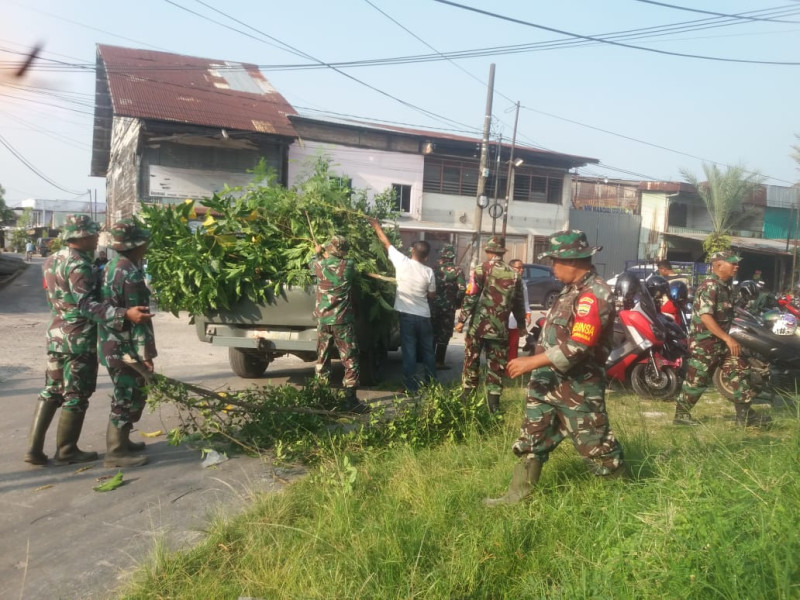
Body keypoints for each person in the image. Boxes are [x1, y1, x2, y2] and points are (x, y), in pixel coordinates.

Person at [484, 230, 625, 506]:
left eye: (555, 262)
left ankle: (622, 497)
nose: (552, 268)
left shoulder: (594, 293)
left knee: (596, 446)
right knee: (532, 437)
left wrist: (530, 362)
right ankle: (517, 496)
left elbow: (578, 346)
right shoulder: (569, 290)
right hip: (547, 382)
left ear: (571, 261)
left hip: (578, 387)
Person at [23, 214, 152, 466]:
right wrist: (125, 313)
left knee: (51, 390)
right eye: (92, 234)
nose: (96, 238)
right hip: (78, 338)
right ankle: (67, 450)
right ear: (80, 237)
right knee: (76, 394)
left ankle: (34, 450)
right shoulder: (79, 265)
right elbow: (85, 305)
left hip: (56, 334)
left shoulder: (52, 259)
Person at [673, 250, 770, 427]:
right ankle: (681, 416)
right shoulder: (710, 286)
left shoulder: (726, 287)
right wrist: (728, 338)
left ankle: (745, 416)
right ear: (718, 265)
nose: (737, 266)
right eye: (732, 263)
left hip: (721, 343)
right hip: (705, 343)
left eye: (736, 263)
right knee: (697, 381)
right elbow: (706, 317)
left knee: (740, 371)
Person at [98, 219, 158, 467]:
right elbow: (139, 319)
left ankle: (122, 442)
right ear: (136, 245)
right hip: (126, 348)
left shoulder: (111, 266)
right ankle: (115, 451)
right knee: (127, 395)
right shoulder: (131, 273)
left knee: (127, 393)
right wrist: (146, 355)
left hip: (110, 343)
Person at [455, 236, 525, 414]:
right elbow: (518, 303)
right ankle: (493, 407)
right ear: (502, 252)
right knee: (496, 366)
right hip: (500, 329)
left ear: (488, 251)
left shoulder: (480, 270)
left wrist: (461, 319)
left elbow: (471, 296)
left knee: (471, 361)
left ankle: (466, 402)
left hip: (478, 328)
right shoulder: (514, 274)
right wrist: (522, 325)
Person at [368, 218, 437, 393]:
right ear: (427, 256)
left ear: (412, 251)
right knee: (428, 352)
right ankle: (432, 384)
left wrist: (376, 226)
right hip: (424, 316)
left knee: (410, 352)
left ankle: (410, 386)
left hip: (407, 316)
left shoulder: (402, 262)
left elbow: (386, 243)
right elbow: (432, 295)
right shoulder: (429, 272)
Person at [310, 235, 369, 414]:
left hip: (323, 321)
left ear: (330, 249)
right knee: (350, 359)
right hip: (342, 321)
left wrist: (317, 253)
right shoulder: (348, 266)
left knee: (323, 358)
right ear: (343, 251)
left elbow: (312, 263)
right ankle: (350, 401)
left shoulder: (318, 264)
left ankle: (321, 399)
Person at [429, 244, 465, 369]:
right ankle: (439, 362)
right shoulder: (457, 270)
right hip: (448, 307)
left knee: (432, 332)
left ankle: (429, 361)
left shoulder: (433, 268)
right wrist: (457, 303)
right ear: (452, 256)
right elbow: (462, 289)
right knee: (444, 334)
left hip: (432, 305)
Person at [507, 259, 532, 360]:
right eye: (519, 268)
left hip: (515, 320)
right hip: (502, 319)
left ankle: (510, 369)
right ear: (511, 268)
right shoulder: (504, 281)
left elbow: (525, 301)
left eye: (523, 268)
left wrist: (528, 314)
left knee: (513, 345)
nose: (521, 270)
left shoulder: (522, 283)